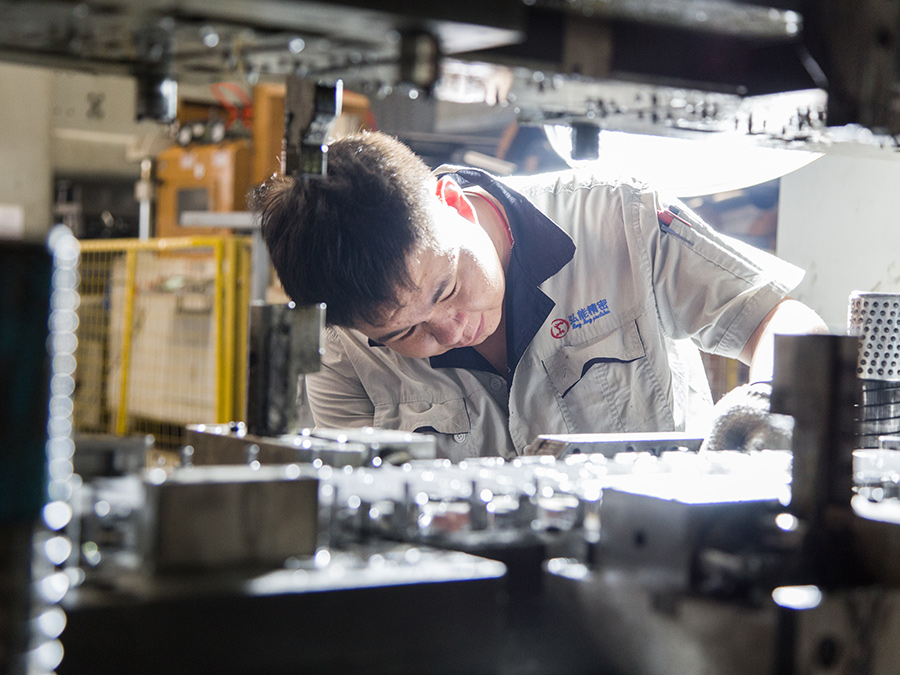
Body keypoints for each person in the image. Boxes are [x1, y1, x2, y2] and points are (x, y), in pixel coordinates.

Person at [254, 130, 827, 460]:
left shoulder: (617, 217)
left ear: (452, 203)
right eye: (405, 333)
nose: (450, 331)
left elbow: (778, 318)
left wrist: (766, 407)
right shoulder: (340, 347)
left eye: (448, 289)